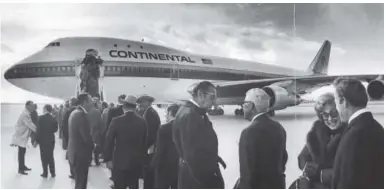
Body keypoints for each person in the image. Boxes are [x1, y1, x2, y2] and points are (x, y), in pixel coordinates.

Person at [331, 77, 384, 189]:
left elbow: (347, 182)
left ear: (343, 102)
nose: (336, 108)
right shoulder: (378, 128)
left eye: (335, 102)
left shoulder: (354, 135)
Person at [172, 81, 225, 189]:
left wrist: (214, 157)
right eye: (212, 97)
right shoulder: (190, 115)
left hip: (194, 175)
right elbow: (191, 155)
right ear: (201, 95)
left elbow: (199, 144)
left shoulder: (192, 111)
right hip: (196, 180)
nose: (215, 101)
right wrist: (208, 181)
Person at [237, 88, 287, 189]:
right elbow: (283, 158)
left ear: (251, 106)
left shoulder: (248, 132)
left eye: (244, 104)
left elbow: (246, 171)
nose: (243, 107)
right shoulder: (278, 127)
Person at [296, 93, 345, 188]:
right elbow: (302, 157)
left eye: (334, 113)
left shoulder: (349, 132)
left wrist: (321, 174)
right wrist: (308, 168)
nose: (330, 119)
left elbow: (350, 170)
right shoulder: (317, 130)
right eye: (325, 115)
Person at [104, 95, 148, 189]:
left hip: (119, 162)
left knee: (119, 186)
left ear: (124, 107)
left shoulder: (116, 121)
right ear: (135, 107)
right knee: (133, 186)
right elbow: (144, 143)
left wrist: (108, 159)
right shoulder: (142, 121)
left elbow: (109, 141)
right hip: (135, 163)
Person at [67, 93, 94, 189]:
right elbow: (86, 137)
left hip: (74, 153)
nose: (92, 102)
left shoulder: (74, 112)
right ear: (84, 102)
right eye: (90, 100)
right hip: (81, 154)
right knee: (81, 184)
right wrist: (93, 145)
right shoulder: (81, 115)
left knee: (79, 181)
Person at [151, 104, 180, 189]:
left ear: (170, 113)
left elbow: (160, 150)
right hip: (179, 166)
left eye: (166, 113)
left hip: (165, 166)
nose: (165, 115)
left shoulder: (164, 129)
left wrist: (154, 164)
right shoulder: (185, 127)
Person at [137, 94, 161, 189]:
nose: (139, 106)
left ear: (147, 102)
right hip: (152, 147)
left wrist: (144, 147)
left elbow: (150, 133)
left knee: (148, 175)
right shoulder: (150, 112)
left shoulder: (149, 114)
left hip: (150, 148)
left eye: (141, 103)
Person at [104, 94, 126, 187]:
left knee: (117, 160)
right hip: (121, 140)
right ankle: (118, 179)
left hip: (119, 139)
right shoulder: (113, 111)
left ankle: (116, 180)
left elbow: (107, 126)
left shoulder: (112, 111)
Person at [10, 100, 37, 175]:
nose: (33, 107)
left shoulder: (26, 113)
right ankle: (20, 169)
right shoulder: (25, 114)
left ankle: (22, 166)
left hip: (22, 136)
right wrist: (38, 131)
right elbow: (30, 124)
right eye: (31, 106)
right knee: (21, 152)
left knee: (22, 152)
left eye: (33, 106)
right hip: (21, 136)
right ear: (27, 106)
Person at [36, 104, 58, 178]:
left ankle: (45, 173)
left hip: (42, 140)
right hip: (51, 139)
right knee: (51, 156)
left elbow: (38, 130)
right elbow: (55, 129)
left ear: (45, 109)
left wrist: (36, 140)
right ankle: (53, 173)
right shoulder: (53, 118)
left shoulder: (40, 118)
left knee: (43, 157)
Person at [62, 97, 78, 179]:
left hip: (70, 138)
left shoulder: (68, 112)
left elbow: (63, 126)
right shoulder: (81, 112)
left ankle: (73, 173)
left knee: (71, 156)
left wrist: (67, 138)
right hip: (79, 139)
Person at [88, 97, 103, 166]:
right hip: (96, 132)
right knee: (96, 148)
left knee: (89, 147)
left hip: (88, 131)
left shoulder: (86, 112)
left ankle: (89, 161)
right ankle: (96, 161)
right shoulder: (98, 112)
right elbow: (100, 123)